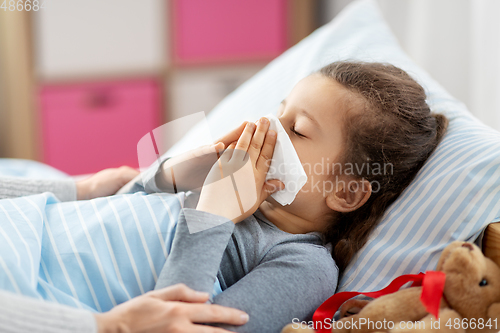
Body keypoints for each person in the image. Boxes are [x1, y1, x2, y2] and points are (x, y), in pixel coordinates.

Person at [130, 61, 449, 332]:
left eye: (297, 129)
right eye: (278, 111)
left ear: (346, 192)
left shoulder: (306, 266)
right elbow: (116, 211)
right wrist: (172, 176)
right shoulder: (222, 184)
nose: (266, 125)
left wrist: (213, 217)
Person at [0, 167, 250, 333]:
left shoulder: (285, 254)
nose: (269, 131)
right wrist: (109, 326)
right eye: (290, 125)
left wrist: (81, 189)